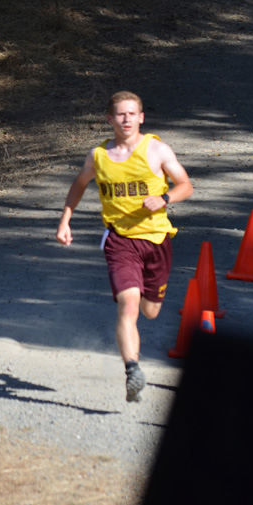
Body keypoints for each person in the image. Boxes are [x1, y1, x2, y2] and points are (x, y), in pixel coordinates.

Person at [56, 91, 193, 402]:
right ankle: (133, 371)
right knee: (128, 305)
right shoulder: (98, 156)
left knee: (150, 311)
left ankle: (143, 301)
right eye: (120, 114)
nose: (126, 119)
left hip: (156, 240)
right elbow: (79, 184)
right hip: (120, 241)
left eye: (132, 113)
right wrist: (65, 220)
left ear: (141, 117)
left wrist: (165, 198)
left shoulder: (156, 150)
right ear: (109, 119)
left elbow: (186, 186)